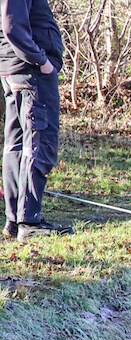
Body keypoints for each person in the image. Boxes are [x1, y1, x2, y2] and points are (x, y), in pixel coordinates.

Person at [0, 0, 71, 241]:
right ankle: (29, 222)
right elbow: (11, 27)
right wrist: (42, 62)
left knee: (17, 144)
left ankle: (15, 219)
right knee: (39, 143)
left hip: (15, 70)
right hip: (30, 72)